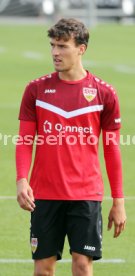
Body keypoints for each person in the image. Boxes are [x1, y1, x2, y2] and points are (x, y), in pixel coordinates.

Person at [16, 18, 126, 276]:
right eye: (53, 45)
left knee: (82, 266)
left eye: (63, 46)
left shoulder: (104, 93)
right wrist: (22, 179)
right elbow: (24, 141)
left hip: (86, 194)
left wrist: (118, 200)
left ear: (81, 49)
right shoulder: (36, 90)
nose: (55, 52)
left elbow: (111, 149)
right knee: (43, 268)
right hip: (43, 193)